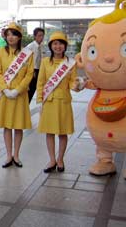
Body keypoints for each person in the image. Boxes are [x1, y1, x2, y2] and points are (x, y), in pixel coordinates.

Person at [36, 31, 78, 173]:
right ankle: (52, 160)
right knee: (49, 132)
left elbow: (73, 83)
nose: (58, 46)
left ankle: (60, 159)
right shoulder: (44, 62)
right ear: (51, 46)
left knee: (62, 132)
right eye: (55, 43)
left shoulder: (70, 64)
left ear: (65, 46)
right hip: (49, 101)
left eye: (60, 43)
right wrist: (40, 101)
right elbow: (40, 83)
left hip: (64, 102)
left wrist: (78, 85)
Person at [0, 23, 34, 168]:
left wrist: (18, 90)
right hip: (5, 94)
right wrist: (5, 89)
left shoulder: (27, 53)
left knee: (18, 126)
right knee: (7, 126)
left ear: (19, 37)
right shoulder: (0, 53)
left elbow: (29, 74)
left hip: (20, 94)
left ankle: (16, 155)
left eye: (14, 34)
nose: (10, 37)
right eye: (8, 34)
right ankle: (8, 155)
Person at [26, 27, 45, 102]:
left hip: (40, 70)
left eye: (42, 35)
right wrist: (30, 71)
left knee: (41, 90)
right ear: (34, 36)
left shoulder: (42, 46)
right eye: (39, 35)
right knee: (30, 90)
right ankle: (25, 107)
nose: (41, 37)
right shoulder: (30, 47)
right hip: (33, 70)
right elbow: (26, 61)